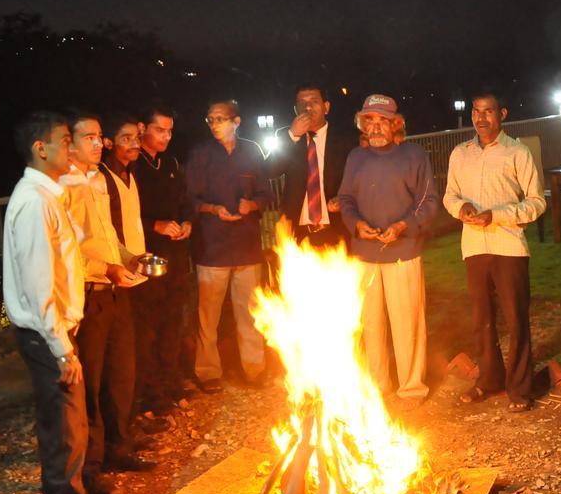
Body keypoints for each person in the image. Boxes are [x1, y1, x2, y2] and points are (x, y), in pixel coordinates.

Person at [3, 110, 117, 494]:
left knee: (70, 429)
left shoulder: (49, 194)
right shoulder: (34, 203)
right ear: (40, 148)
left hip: (54, 334)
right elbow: (37, 283)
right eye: (65, 140)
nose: (72, 149)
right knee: (65, 436)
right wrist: (61, 347)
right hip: (47, 336)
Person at [60, 109, 156, 494]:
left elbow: (105, 234)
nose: (99, 144)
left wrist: (128, 258)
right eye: (90, 138)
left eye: (101, 137)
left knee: (121, 374)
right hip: (90, 293)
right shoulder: (62, 187)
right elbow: (67, 252)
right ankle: (90, 470)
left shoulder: (97, 180)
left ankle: (119, 448)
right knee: (91, 385)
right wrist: (107, 269)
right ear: (69, 143)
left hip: (115, 290)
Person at [443, 91, 546, 412]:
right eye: (476, 111)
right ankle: (488, 380)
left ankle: (519, 388)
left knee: (516, 320)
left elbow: (537, 201)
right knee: (482, 320)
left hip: (508, 245)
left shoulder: (518, 152)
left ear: (502, 114)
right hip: (474, 247)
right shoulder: (460, 154)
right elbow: (449, 196)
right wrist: (463, 208)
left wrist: (496, 214)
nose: (481, 118)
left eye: (488, 112)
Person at [335, 95, 439, 408]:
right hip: (364, 253)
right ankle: (378, 386)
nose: (376, 127)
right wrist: (355, 225)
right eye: (370, 120)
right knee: (370, 325)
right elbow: (346, 199)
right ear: (363, 125)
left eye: (383, 120)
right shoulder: (356, 157)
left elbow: (428, 201)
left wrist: (403, 226)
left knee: (407, 323)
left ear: (396, 124)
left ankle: (411, 388)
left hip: (403, 252)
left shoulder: (413, 155)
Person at [185, 99, 272, 387]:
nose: (213, 125)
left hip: (246, 245)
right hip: (212, 247)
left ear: (236, 122)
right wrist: (213, 209)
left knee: (249, 313)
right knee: (208, 317)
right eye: (210, 119)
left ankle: (254, 368)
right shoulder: (200, 155)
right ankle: (208, 372)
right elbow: (191, 199)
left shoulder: (251, 151)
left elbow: (266, 194)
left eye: (220, 119)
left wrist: (252, 205)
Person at [131, 103, 202, 405]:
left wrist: (187, 222)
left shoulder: (171, 164)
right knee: (148, 326)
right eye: (160, 130)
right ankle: (150, 390)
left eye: (170, 131)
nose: (166, 136)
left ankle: (171, 380)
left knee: (174, 321)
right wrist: (155, 226)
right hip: (147, 259)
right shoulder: (133, 167)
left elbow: (187, 201)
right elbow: (124, 217)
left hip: (176, 256)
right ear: (142, 129)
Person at [99, 112, 165, 429]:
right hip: (119, 277)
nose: (134, 144)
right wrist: (125, 261)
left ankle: (137, 413)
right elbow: (108, 232)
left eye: (136, 138)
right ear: (108, 143)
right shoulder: (102, 179)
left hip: (138, 271)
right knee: (124, 357)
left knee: (142, 344)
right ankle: (126, 421)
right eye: (125, 139)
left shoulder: (130, 173)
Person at [273, 84, 356, 248]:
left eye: (314, 101)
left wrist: (346, 198)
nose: (308, 107)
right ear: (296, 109)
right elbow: (270, 170)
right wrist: (293, 135)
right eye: (302, 103)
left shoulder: (345, 138)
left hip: (336, 225)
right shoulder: (286, 135)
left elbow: (359, 176)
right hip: (297, 230)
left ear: (326, 107)